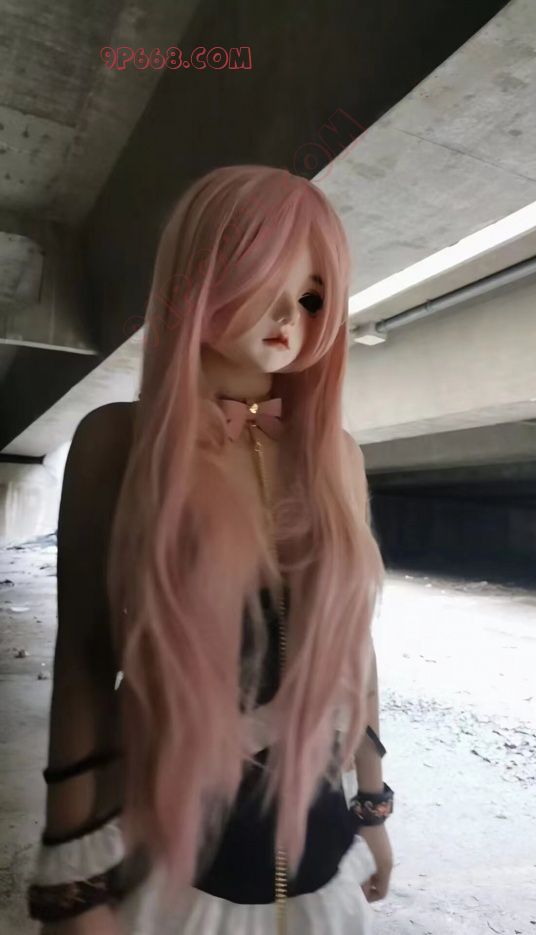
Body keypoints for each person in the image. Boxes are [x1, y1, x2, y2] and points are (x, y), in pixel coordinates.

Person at [26, 165, 394, 934]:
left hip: (322, 865)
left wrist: (373, 803)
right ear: (196, 277)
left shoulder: (338, 456)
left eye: (312, 296)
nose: (289, 315)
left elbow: (353, 648)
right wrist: (70, 879)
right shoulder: (117, 441)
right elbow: (85, 658)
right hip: (171, 868)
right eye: (264, 277)